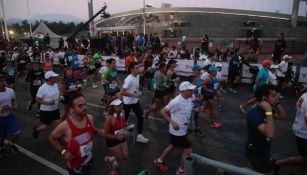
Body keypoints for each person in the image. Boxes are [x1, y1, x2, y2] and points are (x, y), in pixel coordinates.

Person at [153, 81, 196, 175]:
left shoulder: (189, 98)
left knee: (173, 145)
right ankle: (181, 171)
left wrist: (195, 109)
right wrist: (172, 122)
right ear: (184, 91)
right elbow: (163, 111)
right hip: (177, 131)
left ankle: (159, 160)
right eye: (190, 90)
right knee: (187, 150)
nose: (193, 91)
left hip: (184, 129)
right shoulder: (176, 101)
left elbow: (189, 106)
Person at [49, 93, 95, 175]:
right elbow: (51, 138)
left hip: (89, 159)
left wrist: (100, 132)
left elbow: (92, 130)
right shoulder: (65, 126)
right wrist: (63, 151)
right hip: (76, 166)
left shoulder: (90, 118)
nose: (84, 107)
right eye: (80, 106)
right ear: (71, 109)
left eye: (85, 104)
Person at [245, 84, 286, 174]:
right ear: (264, 98)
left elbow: (282, 117)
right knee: (267, 172)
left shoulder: (266, 110)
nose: (276, 97)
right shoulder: (255, 113)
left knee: (253, 171)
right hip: (256, 150)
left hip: (263, 147)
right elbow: (270, 134)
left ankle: (227, 171)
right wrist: (269, 111)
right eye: (273, 96)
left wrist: (277, 103)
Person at [274, 90, 307, 175]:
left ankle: (299, 172)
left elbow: (296, 108)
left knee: (303, 156)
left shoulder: (304, 95)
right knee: (304, 157)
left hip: (299, 128)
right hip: (304, 132)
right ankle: (278, 163)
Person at [121, 62, 149, 143]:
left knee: (140, 117)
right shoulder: (128, 79)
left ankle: (139, 136)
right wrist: (134, 95)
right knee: (124, 119)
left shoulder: (137, 77)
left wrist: (140, 93)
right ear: (131, 69)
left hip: (135, 102)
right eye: (136, 68)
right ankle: (119, 133)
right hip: (127, 103)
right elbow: (122, 92)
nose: (138, 69)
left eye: (138, 68)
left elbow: (136, 88)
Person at [99, 99, 128, 175]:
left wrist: (126, 126)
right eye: (118, 106)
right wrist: (116, 138)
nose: (121, 107)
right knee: (119, 159)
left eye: (121, 105)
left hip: (121, 136)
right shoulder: (109, 118)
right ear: (113, 108)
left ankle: (111, 159)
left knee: (125, 156)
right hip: (112, 140)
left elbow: (123, 123)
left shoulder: (123, 113)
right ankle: (113, 171)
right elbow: (104, 134)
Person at [32, 71, 60, 139]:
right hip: (46, 111)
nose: (56, 78)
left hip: (55, 109)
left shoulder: (55, 84)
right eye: (54, 77)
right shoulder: (42, 88)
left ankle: (57, 137)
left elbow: (57, 94)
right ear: (49, 79)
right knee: (48, 126)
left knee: (58, 123)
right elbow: (37, 99)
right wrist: (48, 103)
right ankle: (36, 130)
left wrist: (60, 97)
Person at [0, 74, 20, 157]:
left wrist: (15, 106)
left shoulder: (10, 91)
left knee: (17, 133)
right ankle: (1, 148)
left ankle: (10, 143)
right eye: (0, 81)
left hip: (10, 116)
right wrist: (1, 109)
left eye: (3, 80)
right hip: (0, 118)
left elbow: (14, 101)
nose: (2, 82)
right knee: (1, 137)